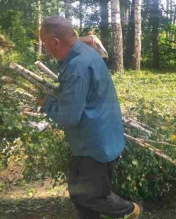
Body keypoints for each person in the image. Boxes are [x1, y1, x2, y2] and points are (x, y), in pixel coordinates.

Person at [37, 16, 142, 219]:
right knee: (80, 195)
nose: (44, 47)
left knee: (91, 197)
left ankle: (132, 211)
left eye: (44, 42)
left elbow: (69, 116)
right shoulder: (85, 53)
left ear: (56, 42)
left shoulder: (77, 67)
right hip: (98, 137)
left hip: (94, 144)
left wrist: (47, 103)